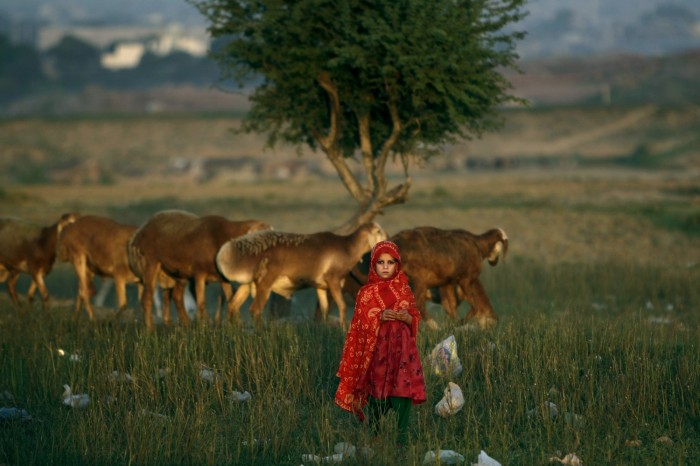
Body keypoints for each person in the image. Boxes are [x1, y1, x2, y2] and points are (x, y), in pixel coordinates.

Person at [335, 240, 426, 445]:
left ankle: (401, 439)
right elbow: (359, 325)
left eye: (390, 262)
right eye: (380, 262)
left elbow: (415, 318)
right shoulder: (366, 293)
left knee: (403, 391)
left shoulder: (404, 290)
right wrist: (379, 316)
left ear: (397, 265)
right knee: (378, 393)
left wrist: (406, 318)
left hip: (402, 352)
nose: (385, 267)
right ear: (373, 265)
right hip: (378, 352)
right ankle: (375, 436)